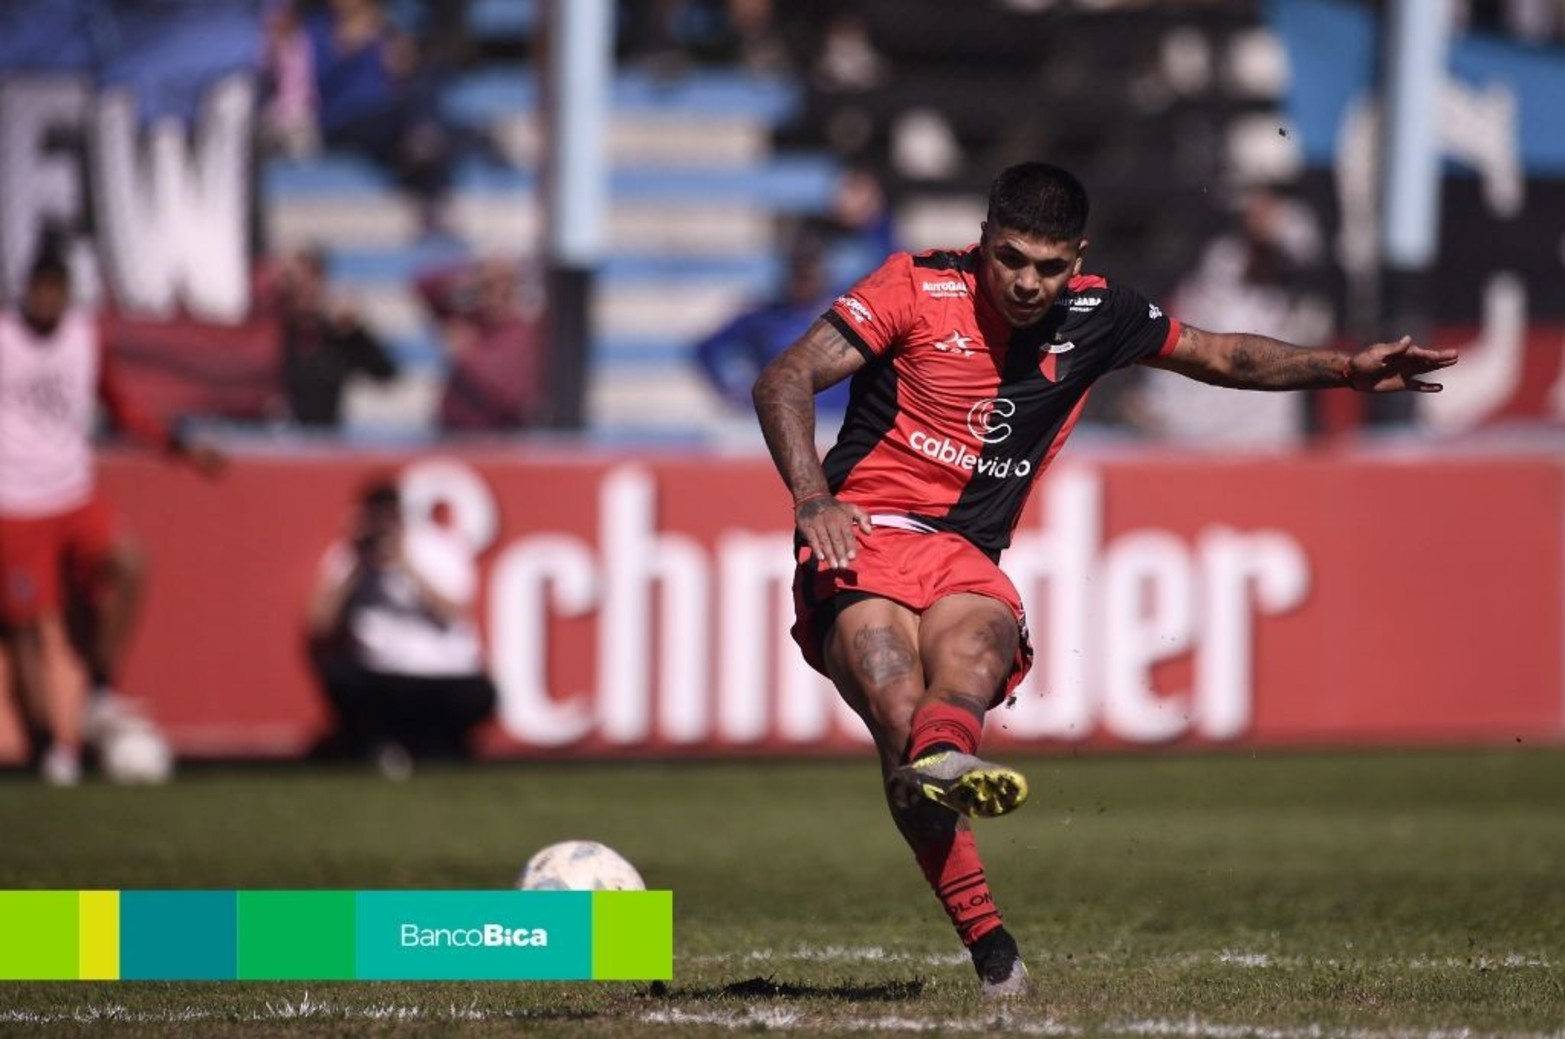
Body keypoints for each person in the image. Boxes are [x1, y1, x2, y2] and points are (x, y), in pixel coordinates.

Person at [750, 162, 1457, 997]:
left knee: (974, 655)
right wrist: (812, 499)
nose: (1027, 283)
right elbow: (784, 377)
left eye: (1049, 267)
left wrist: (1343, 370)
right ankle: (989, 939)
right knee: (893, 692)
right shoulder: (912, 285)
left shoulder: (1100, 313)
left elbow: (1218, 354)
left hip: (964, 554)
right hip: (862, 532)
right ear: (983, 239)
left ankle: (944, 766)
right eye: (1011, 259)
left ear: (1076, 259)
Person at [0, 246, 226, 785]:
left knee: (129, 563)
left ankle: (99, 688)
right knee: (27, 629)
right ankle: (49, 748)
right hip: (14, 500)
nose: (46, 301)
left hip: (73, 492)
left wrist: (178, 447)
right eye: (38, 290)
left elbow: (120, 402)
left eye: (55, 291)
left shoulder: (85, 338)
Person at [306, 478, 496, 777]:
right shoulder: (350, 555)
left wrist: (404, 563)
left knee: (477, 697)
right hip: (381, 675)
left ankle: (432, 748)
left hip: (442, 675)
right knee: (341, 678)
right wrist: (358, 567)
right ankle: (387, 748)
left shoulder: (437, 547)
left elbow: (450, 613)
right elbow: (320, 623)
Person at [694, 235, 848, 415]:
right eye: (798, 276)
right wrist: (731, 392)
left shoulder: (847, 314)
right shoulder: (764, 318)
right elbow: (707, 349)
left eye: (809, 276)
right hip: (782, 417)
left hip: (837, 419)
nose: (804, 284)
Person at [416, 257, 547, 433]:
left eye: (505, 288)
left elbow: (510, 398)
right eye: (488, 287)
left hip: (500, 437)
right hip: (452, 433)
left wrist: (468, 355)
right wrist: (474, 270)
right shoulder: (467, 319)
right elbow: (424, 284)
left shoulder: (523, 332)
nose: (495, 295)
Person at [272, 248, 398, 429]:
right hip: (266, 436)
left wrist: (355, 332)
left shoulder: (337, 335)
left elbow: (386, 373)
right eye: (294, 280)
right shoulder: (271, 330)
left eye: (310, 278)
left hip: (324, 436)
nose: (303, 288)